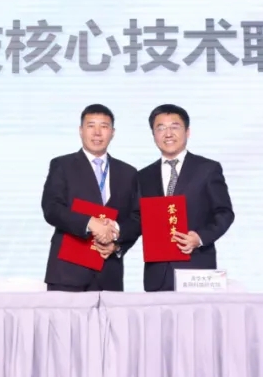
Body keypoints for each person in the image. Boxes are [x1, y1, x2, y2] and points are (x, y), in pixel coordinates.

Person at [41, 104, 140, 292]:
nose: (97, 133)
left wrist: (116, 242)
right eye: (91, 125)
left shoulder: (128, 172)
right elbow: (51, 208)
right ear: (80, 130)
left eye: (104, 126)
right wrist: (90, 223)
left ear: (112, 132)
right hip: (67, 272)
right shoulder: (62, 165)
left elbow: (136, 218)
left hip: (109, 272)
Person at [137, 104, 234, 292]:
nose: (168, 134)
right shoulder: (143, 176)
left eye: (174, 127)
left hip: (196, 269)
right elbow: (137, 219)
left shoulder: (207, 169)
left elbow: (224, 213)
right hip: (157, 274)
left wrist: (200, 237)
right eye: (161, 128)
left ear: (187, 131)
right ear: (153, 135)